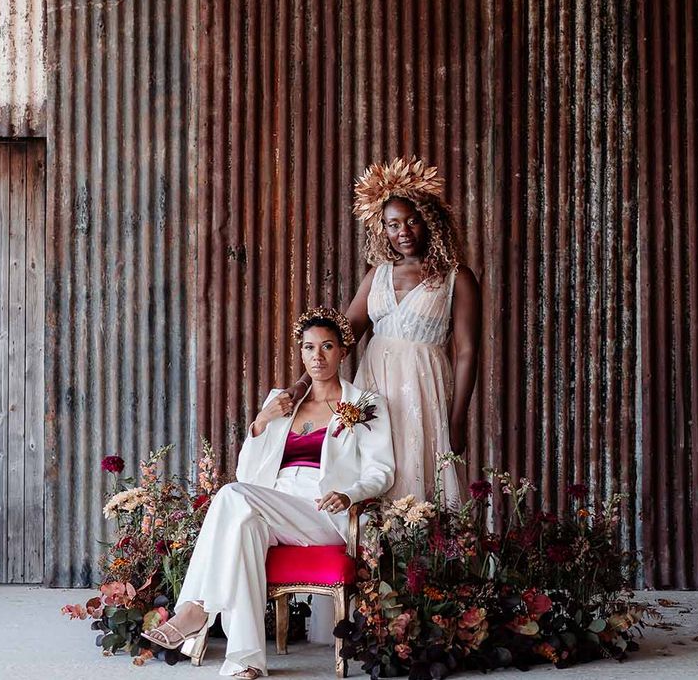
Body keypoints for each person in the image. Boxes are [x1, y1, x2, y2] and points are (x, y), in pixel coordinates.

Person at [142, 308, 395, 678]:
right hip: (271, 505)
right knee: (243, 527)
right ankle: (245, 661)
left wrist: (350, 493)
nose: (317, 356)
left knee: (231, 496)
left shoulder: (364, 404)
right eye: (309, 348)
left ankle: (196, 608)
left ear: (342, 351)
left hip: (323, 511)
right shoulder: (281, 402)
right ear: (301, 352)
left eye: (326, 347)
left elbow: (381, 470)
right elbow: (248, 474)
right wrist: (262, 422)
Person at [287, 157, 481, 507]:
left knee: (419, 466)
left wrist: (457, 418)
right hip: (374, 384)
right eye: (393, 225)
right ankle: (373, 554)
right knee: (375, 461)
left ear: (430, 221)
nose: (403, 232)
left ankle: (421, 555)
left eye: (411, 221)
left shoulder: (457, 277)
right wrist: (303, 383)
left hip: (424, 386)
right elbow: (342, 336)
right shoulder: (376, 274)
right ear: (383, 230)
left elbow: (467, 352)